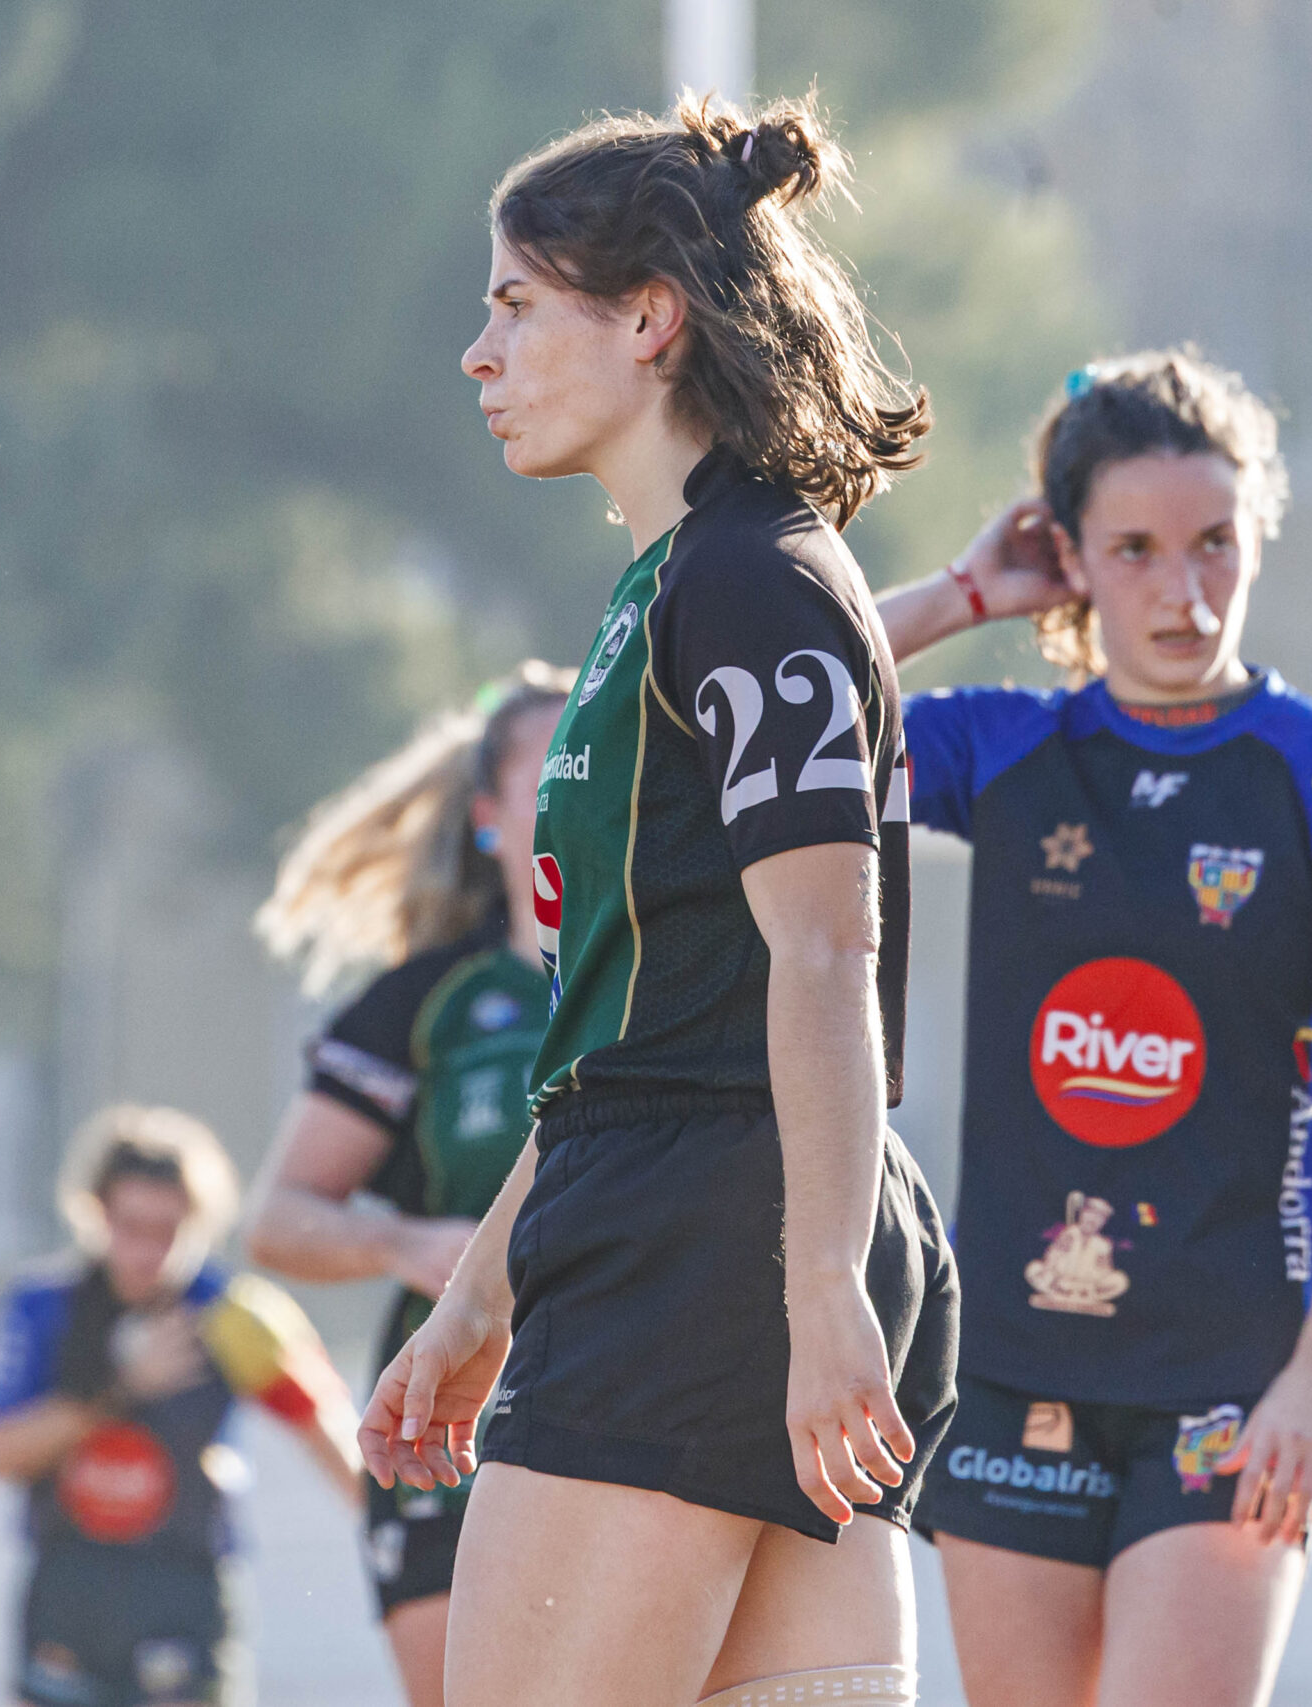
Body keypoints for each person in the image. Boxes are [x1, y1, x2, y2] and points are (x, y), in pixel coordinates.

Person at [355, 94, 958, 1707]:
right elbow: (629, 1026)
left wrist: (818, 1286)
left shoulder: (749, 574)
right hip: (724, 1214)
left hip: (713, 1240)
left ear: (648, 320)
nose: (479, 352)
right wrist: (477, 1292)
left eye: (515, 304)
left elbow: (824, 952)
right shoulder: (679, 580)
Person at [873, 348, 1312, 1707]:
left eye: (1215, 544)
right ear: (1068, 553)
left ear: (1259, 537)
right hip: (1010, 1364)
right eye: (1133, 549)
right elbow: (746, 718)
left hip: (1237, 1377)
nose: (1183, 592)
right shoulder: (1006, 747)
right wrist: (963, 595)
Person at [243, 666, 571, 1707]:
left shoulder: (675, 971)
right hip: (450, 1405)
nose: (581, 780)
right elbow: (276, 1220)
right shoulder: (426, 1002)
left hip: (630, 1386)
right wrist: (411, 1247)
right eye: (551, 765)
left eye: (599, 758)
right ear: (487, 817)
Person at [0, 1104, 362, 1707]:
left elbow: (334, 1440)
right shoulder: (43, 1307)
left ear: (202, 1225)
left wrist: (414, 1539)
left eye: (168, 1231)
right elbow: (0, 1454)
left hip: (184, 1592)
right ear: (94, 1214)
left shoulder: (236, 1316)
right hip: (67, 1591)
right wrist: (120, 1388)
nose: (147, 1252)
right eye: (130, 1227)